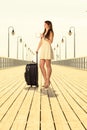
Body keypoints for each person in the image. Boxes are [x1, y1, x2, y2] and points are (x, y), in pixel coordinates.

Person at [36, 20, 54, 88]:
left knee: (48, 65)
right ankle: (46, 80)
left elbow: (51, 41)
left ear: (49, 25)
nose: (44, 25)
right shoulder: (44, 32)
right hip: (43, 49)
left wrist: (44, 37)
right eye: (44, 24)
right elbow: (41, 42)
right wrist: (37, 49)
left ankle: (47, 81)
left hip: (47, 49)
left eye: (45, 24)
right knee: (41, 65)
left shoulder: (50, 32)